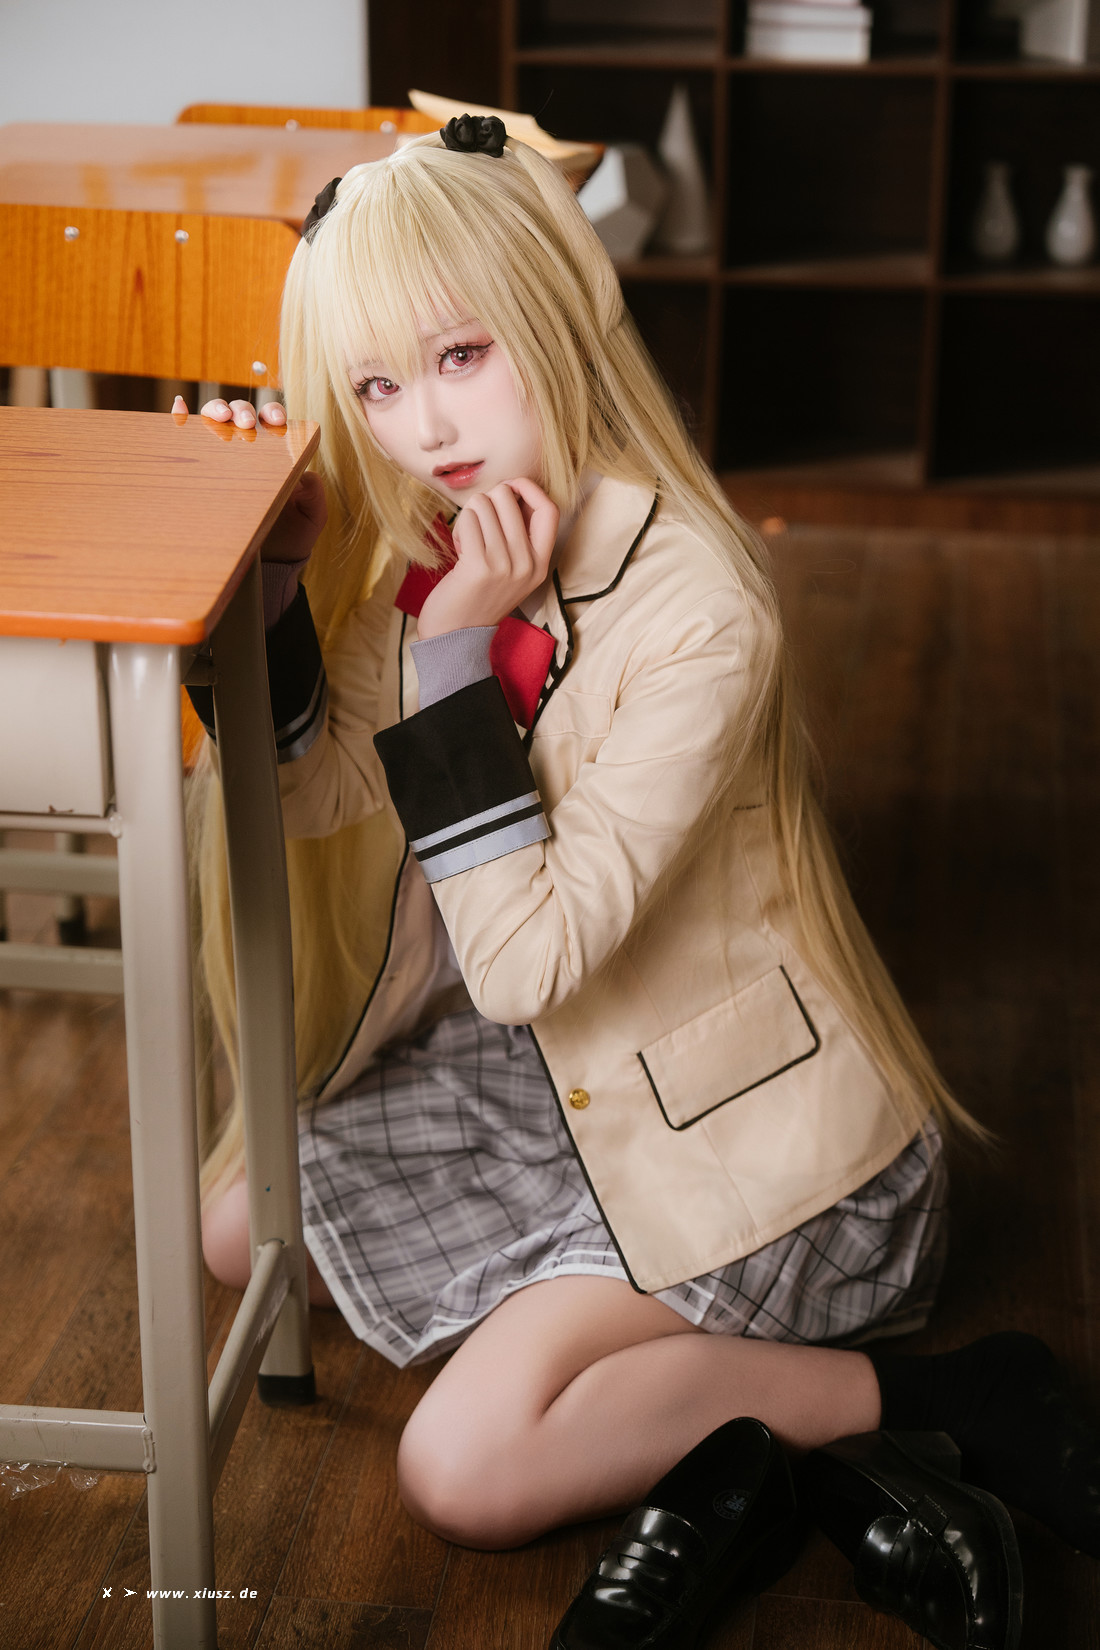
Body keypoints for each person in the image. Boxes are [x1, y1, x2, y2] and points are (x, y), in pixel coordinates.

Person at [184, 116, 1098, 1650]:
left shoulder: (700, 606)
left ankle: (932, 1395)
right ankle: (630, 1373)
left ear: (550, 313)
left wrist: (454, 659)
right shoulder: (452, 540)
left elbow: (524, 963)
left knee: (463, 1466)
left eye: (460, 355)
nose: (425, 427)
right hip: (565, 1080)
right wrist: (277, 573)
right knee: (240, 1225)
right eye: (377, 386)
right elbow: (315, 784)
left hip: (757, 1148)